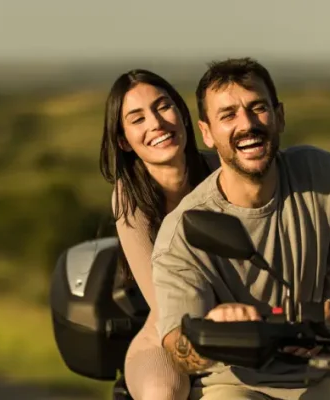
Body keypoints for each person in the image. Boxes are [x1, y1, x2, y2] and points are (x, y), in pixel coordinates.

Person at [150, 57, 330, 400]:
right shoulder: (183, 232)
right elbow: (177, 348)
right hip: (240, 383)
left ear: (279, 116)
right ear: (207, 132)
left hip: (328, 363)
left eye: (257, 108)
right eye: (228, 115)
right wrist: (211, 334)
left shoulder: (318, 172)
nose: (247, 124)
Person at [99, 69, 220, 400]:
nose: (155, 124)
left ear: (182, 114)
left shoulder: (223, 172)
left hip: (245, 326)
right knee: (162, 393)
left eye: (163, 107)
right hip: (168, 332)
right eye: (137, 119)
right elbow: (166, 303)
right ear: (124, 140)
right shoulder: (130, 196)